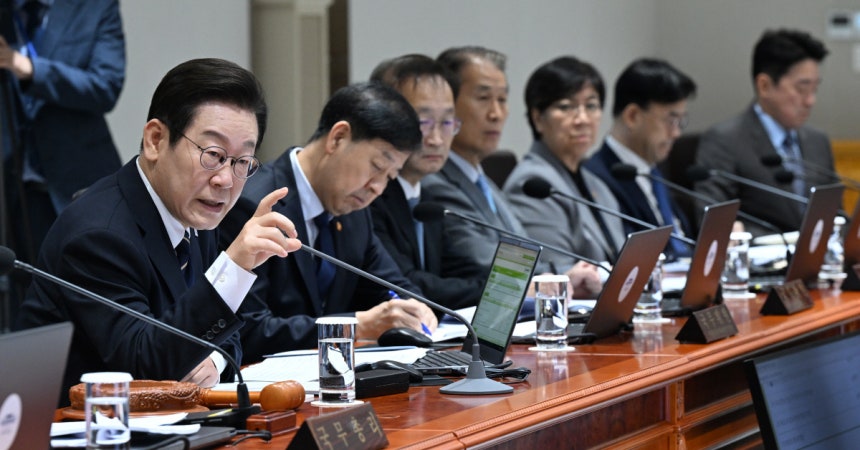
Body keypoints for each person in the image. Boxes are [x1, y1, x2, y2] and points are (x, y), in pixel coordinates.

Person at [15, 58, 301, 405]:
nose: (225, 180)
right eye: (213, 154)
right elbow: (144, 366)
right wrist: (235, 268)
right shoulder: (98, 235)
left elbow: (228, 327)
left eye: (242, 162)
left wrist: (214, 359)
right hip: (76, 426)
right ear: (155, 140)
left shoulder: (196, 212)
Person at [219, 82, 438, 362]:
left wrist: (416, 309)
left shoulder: (354, 212)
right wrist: (356, 326)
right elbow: (248, 329)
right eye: (377, 167)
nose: (377, 187)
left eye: (390, 177)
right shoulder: (254, 204)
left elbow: (395, 287)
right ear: (338, 138)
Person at [427, 46, 601, 296]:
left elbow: (526, 252)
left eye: (502, 100)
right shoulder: (435, 183)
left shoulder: (482, 180)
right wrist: (556, 278)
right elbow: (485, 262)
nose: (496, 114)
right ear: (447, 106)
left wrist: (565, 277)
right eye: (483, 98)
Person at [0, 0, 126, 325]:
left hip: (75, 181)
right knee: (20, 299)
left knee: (89, 295)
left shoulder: (94, 7)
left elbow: (106, 85)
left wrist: (29, 68)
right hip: (11, 184)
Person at [368, 54, 485, 310]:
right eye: (423, 123)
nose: (436, 139)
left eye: (446, 122)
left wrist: (510, 287)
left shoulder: (425, 200)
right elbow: (407, 283)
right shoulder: (367, 198)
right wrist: (492, 292)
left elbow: (460, 269)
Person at [694, 29, 835, 236]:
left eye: (815, 89)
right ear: (765, 86)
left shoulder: (817, 141)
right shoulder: (724, 141)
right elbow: (713, 223)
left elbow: (835, 214)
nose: (810, 101)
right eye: (802, 89)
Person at [504, 56, 625, 272]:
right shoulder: (532, 185)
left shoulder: (596, 183)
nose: (583, 119)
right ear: (538, 118)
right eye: (566, 107)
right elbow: (559, 272)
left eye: (591, 106)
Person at [584, 58, 697, 260]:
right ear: (633, 116)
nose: (676, 133)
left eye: (681, 121)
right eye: (671, 120)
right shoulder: (596, 178)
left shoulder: (652, 169)